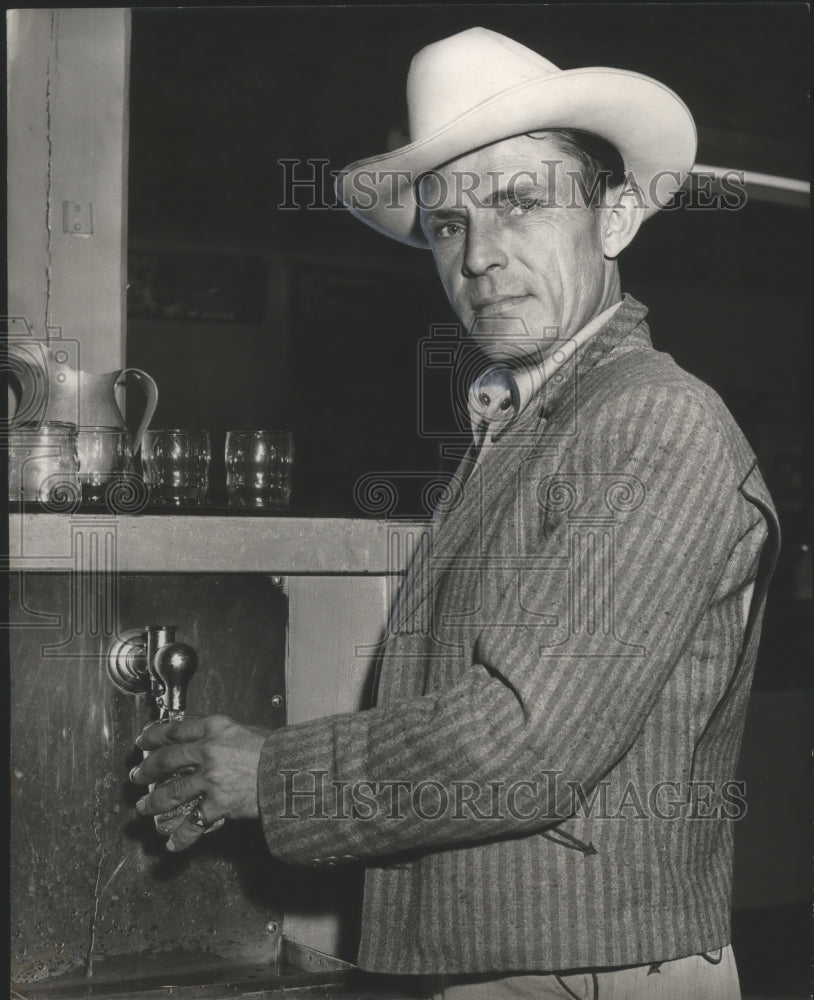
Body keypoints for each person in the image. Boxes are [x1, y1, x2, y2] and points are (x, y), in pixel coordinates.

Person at [131, 27, 780, 1000]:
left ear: (614, 217)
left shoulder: (652, 421)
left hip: (585, 968)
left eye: (520, 200)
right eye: (446, 223)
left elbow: (528, 739)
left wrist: (268, 774)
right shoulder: (530, 424)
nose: (478, 255)